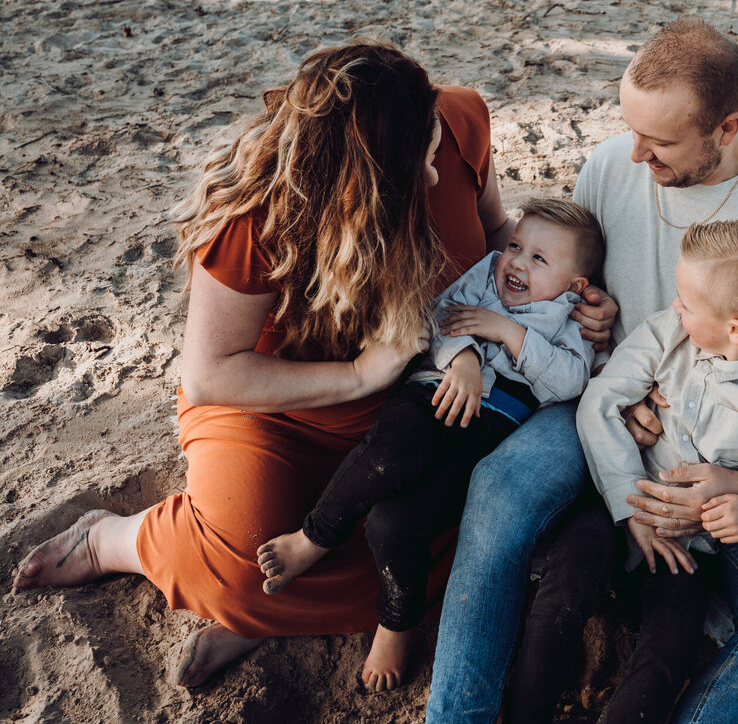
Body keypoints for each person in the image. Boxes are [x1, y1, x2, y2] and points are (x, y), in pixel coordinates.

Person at [10, 41, 618, 689]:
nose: (437, 173)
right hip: (277, 406)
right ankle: (111, 540)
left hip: (419, 391)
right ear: (365, 180)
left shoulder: (459, 121)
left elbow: (497, 238)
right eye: (422, 159)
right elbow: (213, 374)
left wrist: (569, 308)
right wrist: (359, 376)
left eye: (437, 140)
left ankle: (273, 615)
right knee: (246, 564)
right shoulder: (255, 217)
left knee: (419, 517)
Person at [426, 16, 738, 724]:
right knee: (499, 489)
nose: (634, 154)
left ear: (726, 129)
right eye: (630, 129)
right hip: (602, 397)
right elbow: (558, 291)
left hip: (735, 442)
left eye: (659, 141)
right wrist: (593, 326)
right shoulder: (610, 167)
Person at [255, 197, 604, 690]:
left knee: (395, 522)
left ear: (575, 286)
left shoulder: (575, 322)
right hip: (430, 393)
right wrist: (462, 359)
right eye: (516, 247)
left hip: (483, 432)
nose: (517, 263)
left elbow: (569, 382)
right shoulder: (486, 274)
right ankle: (314, 537)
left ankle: (396, 621)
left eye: (539, 260)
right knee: (393, 451)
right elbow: (440, 316)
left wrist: (506, 330)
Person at [572, 218, 738, 723]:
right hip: (624, 515)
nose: (675, 307)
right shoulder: (670, 333)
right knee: (563, 592)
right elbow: (600, 402)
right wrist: (628, 504)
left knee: (664, 654)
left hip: (690, 548)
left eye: (687, 302)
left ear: (735, 330)